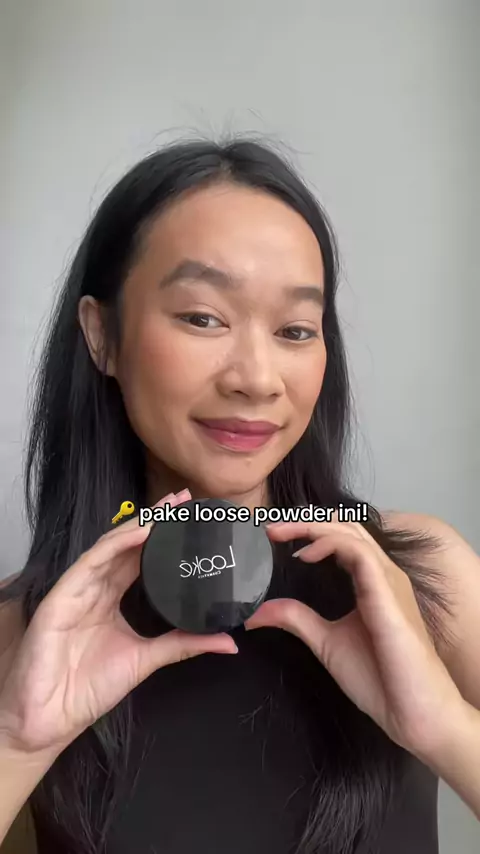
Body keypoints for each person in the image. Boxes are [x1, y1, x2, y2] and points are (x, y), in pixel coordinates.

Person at [0, 138, 479, 854]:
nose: (256, 378)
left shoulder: (421, 574)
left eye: (295, 330)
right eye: (203, 317)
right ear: (102, 336)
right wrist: (17, 743)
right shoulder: (21, 631)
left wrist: (444, 727)